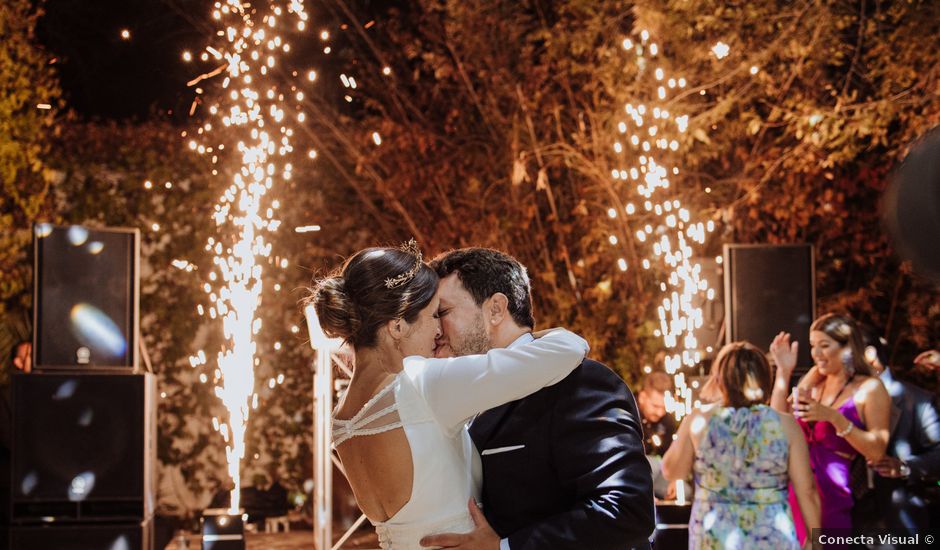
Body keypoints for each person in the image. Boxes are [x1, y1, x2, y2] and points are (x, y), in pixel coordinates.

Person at [309, 241, 590, 550]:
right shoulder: (422, 384)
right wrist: (548, 333)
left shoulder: (342, 417)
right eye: (433, 315)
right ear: (398, 326)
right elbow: (568, 350)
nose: (438, 331)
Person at [420, 248, 654, 550]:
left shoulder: (580, 382)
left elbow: (627, 510)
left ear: (495, 309)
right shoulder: (466, 397)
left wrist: (505, 547)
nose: (436, 329)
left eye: (443, 312)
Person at [662, 342, 820, 549]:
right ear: (765, 378)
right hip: (771, 533)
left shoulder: (699, 420)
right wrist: (816, 541)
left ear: (720, 379)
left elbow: (673, 471)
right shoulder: (785, 424)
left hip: (715, 535)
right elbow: (806, 489)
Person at [769, 313, 890, 538]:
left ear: (847, 348)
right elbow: (775, 424)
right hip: (792, 492)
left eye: (824, 345)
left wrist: (834, 418)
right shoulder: (814, 382)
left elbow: (877, 450)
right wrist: (783, 372)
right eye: (813, 345)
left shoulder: (870, 388)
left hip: (832, 497)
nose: (816, 353)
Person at [852, 324, 940, 535]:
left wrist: (904, 468)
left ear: (869, 354)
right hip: (846, 518)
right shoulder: (837, 402)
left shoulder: (918, 401)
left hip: (898, 520)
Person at [637, 371, 678, 500]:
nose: (659, 412)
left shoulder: (667, 421)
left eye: (663, 407)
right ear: (642, 397)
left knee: (684, 491)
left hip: (659, 472)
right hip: (634, 471)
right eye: (655, 406)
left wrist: (675, 479)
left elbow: (671, 453)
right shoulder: (629, 415)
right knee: (651, 464)